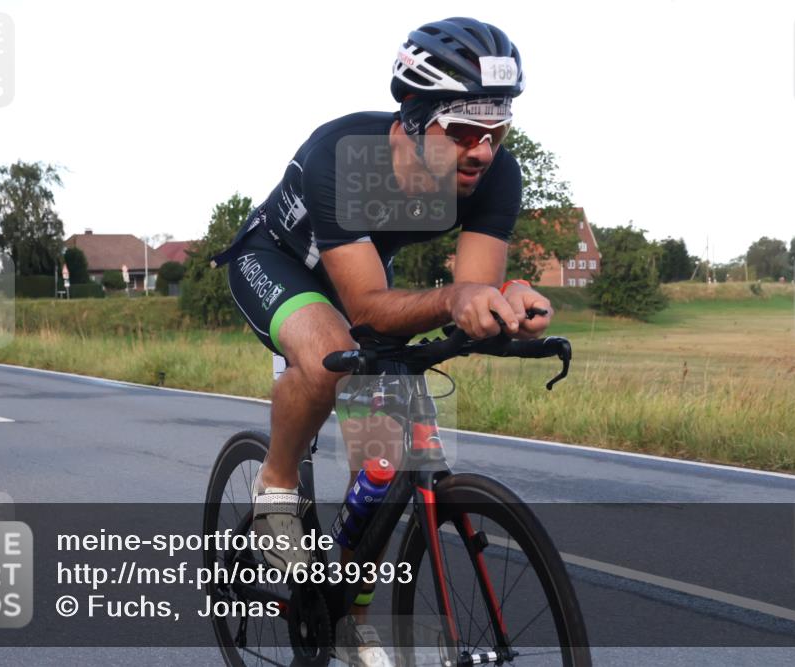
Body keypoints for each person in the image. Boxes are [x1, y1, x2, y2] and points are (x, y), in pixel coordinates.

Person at [210, 16, 554, 665]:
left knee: (386, 459)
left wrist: (503, 304)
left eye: (498, 127)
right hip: (277, 259)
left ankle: (348, 615)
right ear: (414, 120)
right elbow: (367, 305)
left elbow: (471, 292)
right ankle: (276, 487)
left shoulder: (496, 177)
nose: (483, 148)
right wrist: (455, 298)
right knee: (328, 355)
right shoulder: (346, 156)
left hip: (359, 269)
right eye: (463, 130)